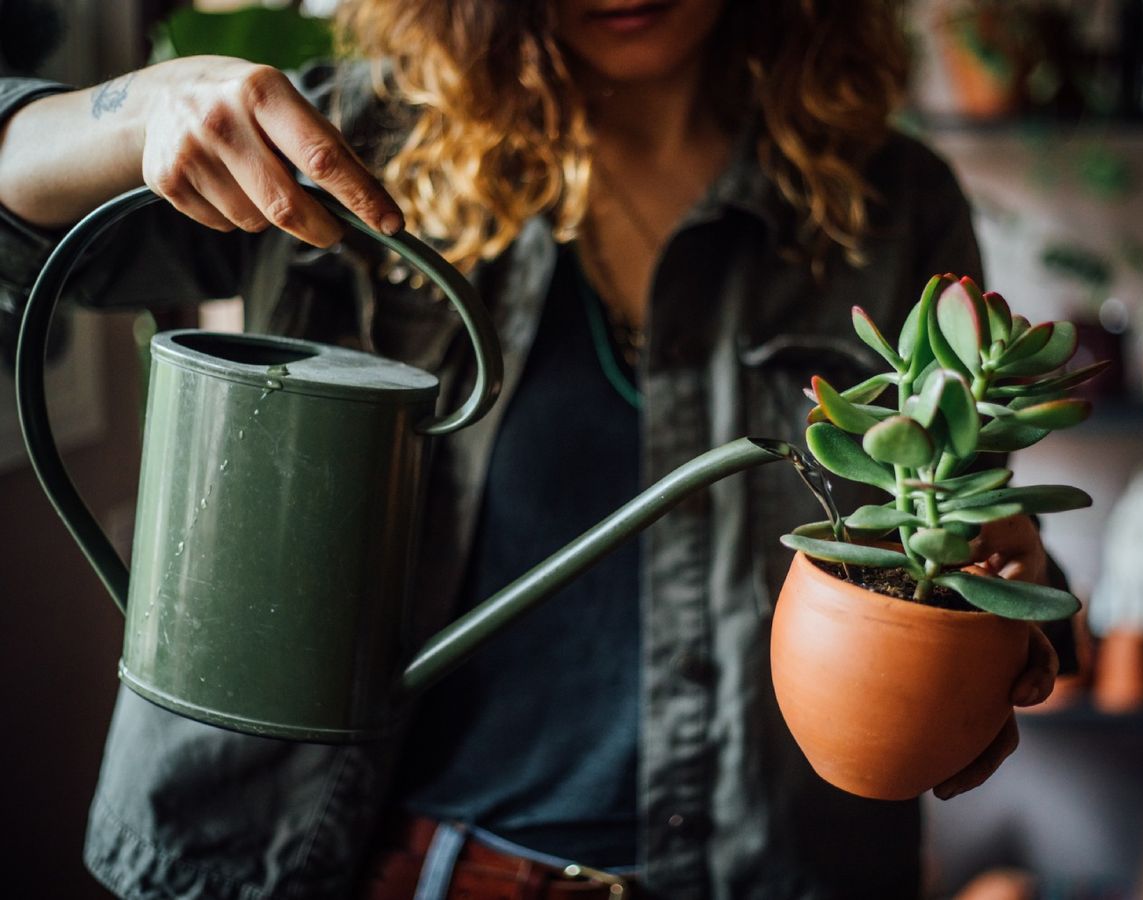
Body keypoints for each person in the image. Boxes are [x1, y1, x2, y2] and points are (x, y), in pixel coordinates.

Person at [0, 2, 1070, 897]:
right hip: (414, 868)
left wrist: (996, 598)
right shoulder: (344, 147)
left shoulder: (893, 206)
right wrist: (148, 103)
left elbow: (977, 525)